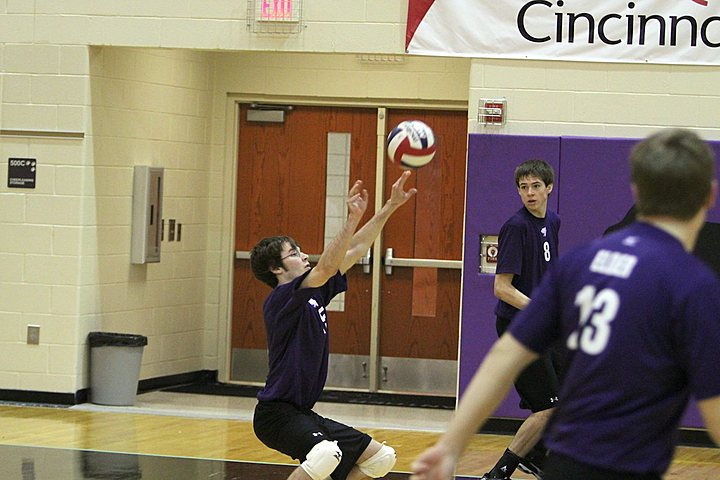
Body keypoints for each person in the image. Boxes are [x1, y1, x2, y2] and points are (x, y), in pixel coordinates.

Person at [410, 128, 720, 480]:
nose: (530, 193)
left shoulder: (582, 262)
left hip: (567, 465)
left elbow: (503, 358)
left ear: (637, 190)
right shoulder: (694, 286)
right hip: (630, 467)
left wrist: (451, 446)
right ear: (708, 196)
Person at [250, 170, 417, 480]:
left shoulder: (312, 293)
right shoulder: (282, 298)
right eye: (294, 253)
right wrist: (351, 218)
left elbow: (354, 251)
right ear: (276, 269)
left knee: (381, 459)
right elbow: (328, 264)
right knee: (325, 454)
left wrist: (390, 206)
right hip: (275, 415)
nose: (303, 256)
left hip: (301, 412)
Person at [485, 159, 562, 479]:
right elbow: (501, 288)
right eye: (523, 187)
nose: (529, 193)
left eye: (535, 186)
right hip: (518, 327)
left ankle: (536, 454)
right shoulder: (516, 227)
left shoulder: (553, 221)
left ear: (549, 188)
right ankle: (499, 472)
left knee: (562, 400)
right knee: (548, 408)